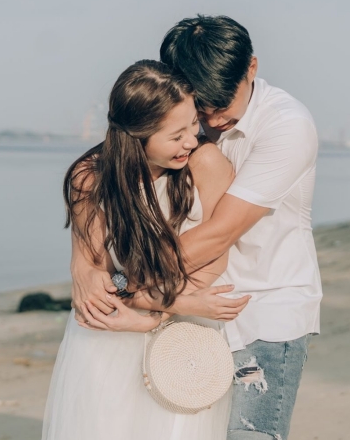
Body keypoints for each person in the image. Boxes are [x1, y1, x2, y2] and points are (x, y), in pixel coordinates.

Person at [73, 16, 322, 440]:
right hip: (189, 309)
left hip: (260, 307)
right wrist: (84, 261)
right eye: (200, 106)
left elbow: (218, 234)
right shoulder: (184, 122)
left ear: (252, 69)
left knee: (251, 435)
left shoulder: (287, 126)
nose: (210, 119)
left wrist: (129, 288)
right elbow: (105, 183)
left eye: (222, 103)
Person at [42, 60, 249, 440]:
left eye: (192, 124)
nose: (191, 139)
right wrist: (167, 304)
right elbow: (94, 274)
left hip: (183, 345)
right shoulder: (90, 177)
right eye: (176, 134)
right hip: (113, 335)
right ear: (136, 136)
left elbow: (213, 259)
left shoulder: (205, 163)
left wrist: (158, 315)